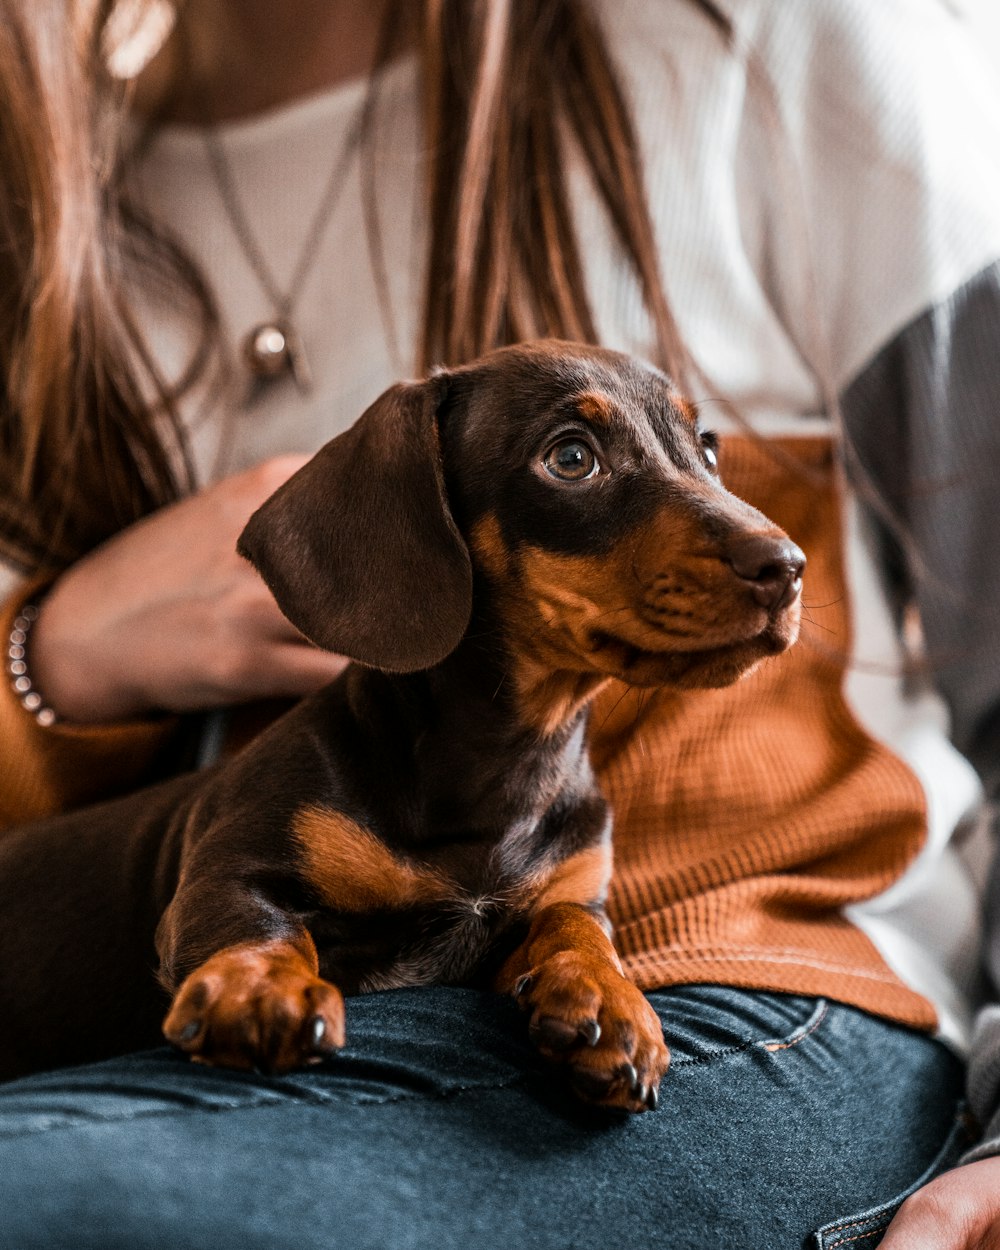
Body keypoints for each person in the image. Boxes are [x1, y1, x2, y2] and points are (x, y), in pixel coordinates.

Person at [1, 0, 999, 1245]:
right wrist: (54, 656)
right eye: (577, 453)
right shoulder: (46, 201)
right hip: (197, 995)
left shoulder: (769, 41)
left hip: (729, 992)